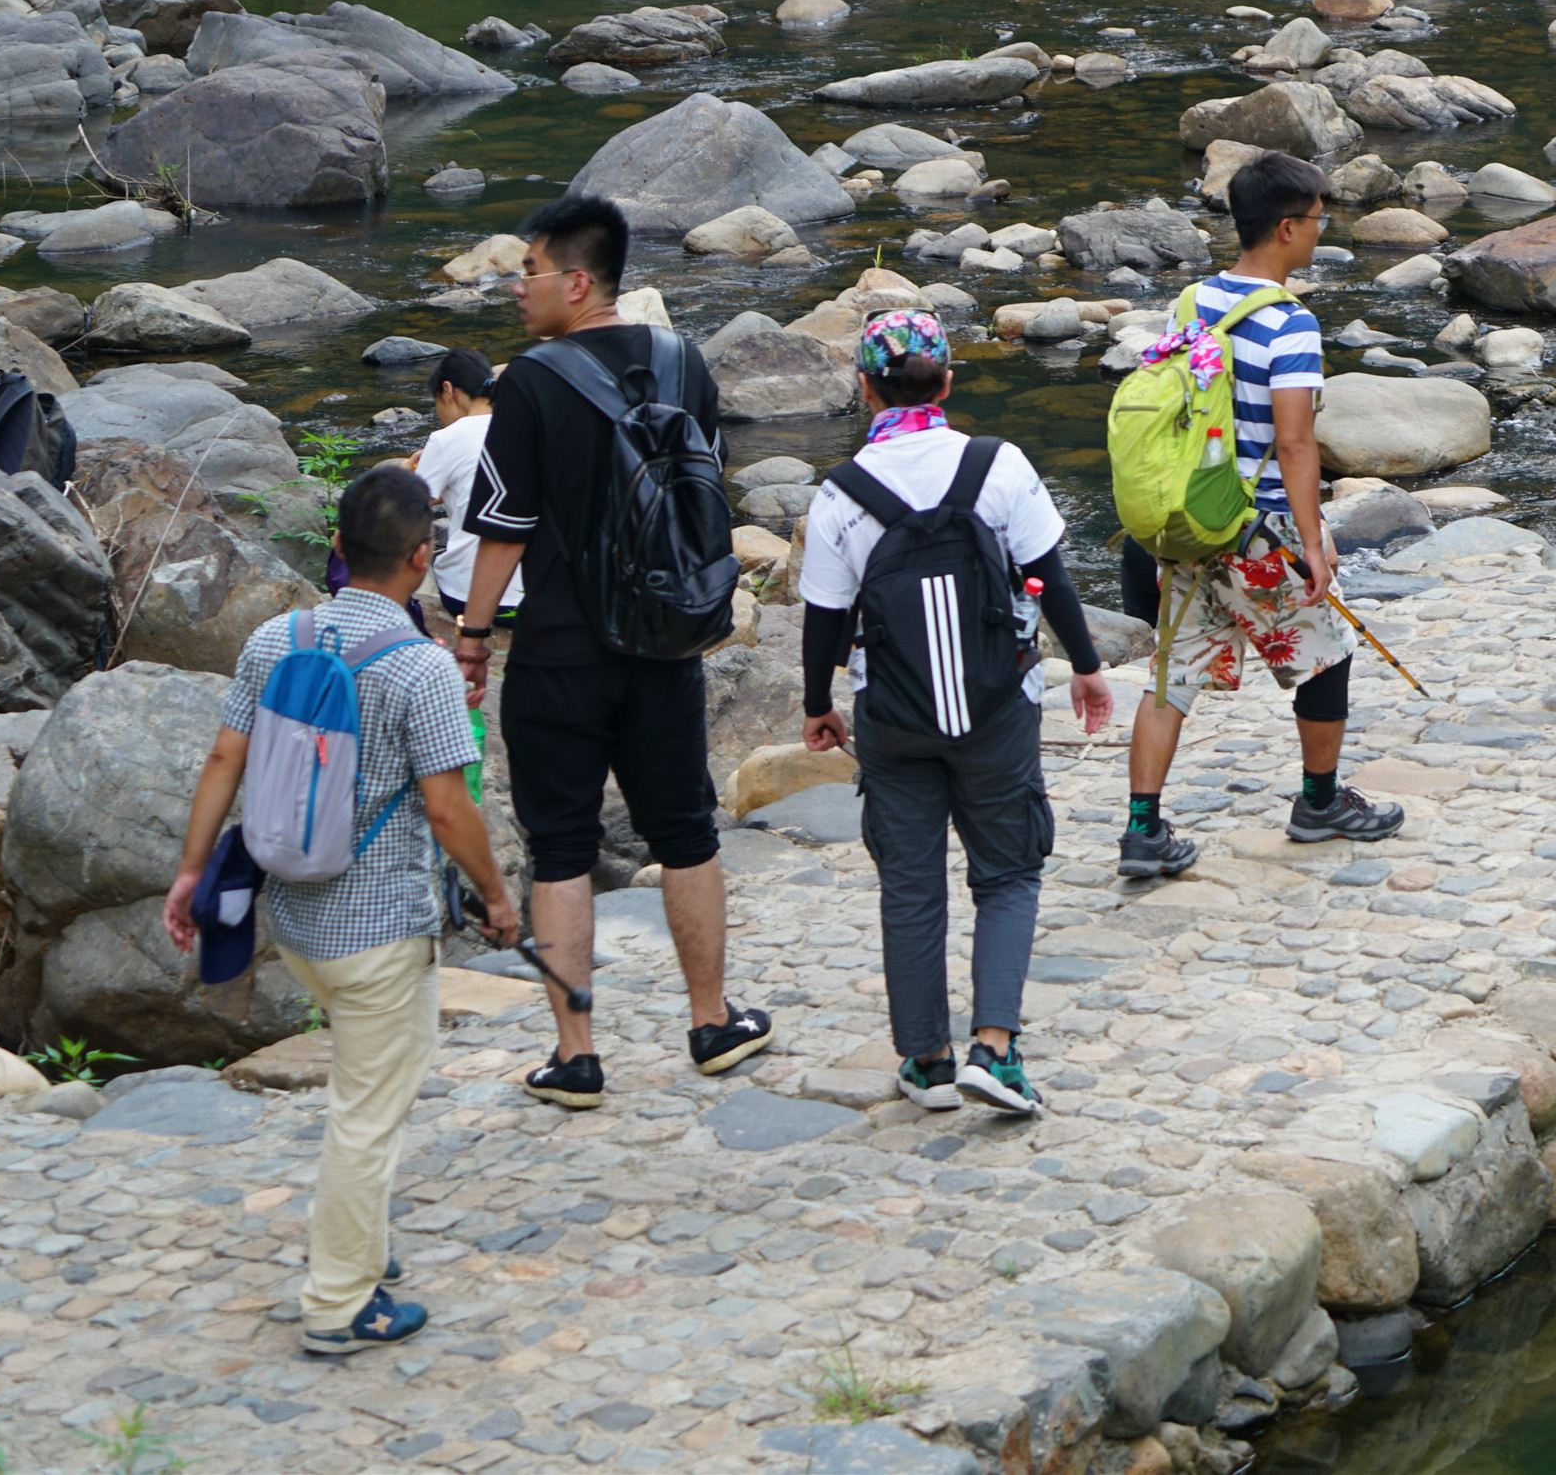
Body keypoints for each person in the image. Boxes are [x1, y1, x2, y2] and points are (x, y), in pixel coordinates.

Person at [165, 467, 520, 1356]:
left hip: (295, 919)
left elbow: (222, 762)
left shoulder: (274, 639)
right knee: (367, 1113)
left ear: (336, 549)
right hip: (379, 929)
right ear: (418, 558)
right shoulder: (419, 666)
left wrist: (189, 873)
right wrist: (498, 892)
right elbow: (447, 808)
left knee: (368, 1094)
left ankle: (366, 1246)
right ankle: (338, 1304)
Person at [454, 196, 772, 1107]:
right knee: (686, 834)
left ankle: (576, 1053)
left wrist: (475, 638)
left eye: (529, 271)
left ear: (576, 281)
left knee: (560, 850)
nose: (516, 288)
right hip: (668, 646)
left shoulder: (530, 385)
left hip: (560, 650)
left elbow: (504, 532)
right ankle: (712, 1022)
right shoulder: (684, 362)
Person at [799, 311, 1113, 1116]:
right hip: (996, 707)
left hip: (892, 717)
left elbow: (825, 620)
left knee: (909, 885)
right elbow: (1048, 578)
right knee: (1008, 872)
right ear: (946, 382)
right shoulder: (997, 465)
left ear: (864, 387)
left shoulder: (841, 493)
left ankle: (928, 1063)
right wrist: (1084, 666)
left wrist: (817, 706)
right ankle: (996, 1052)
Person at [1115, 152, 1406, 868]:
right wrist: (1315, 543)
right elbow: (1296, 441)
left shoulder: (1192, 303)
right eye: (1315, 219)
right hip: (1258, 530)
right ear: (1285, 228)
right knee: (1326, 660)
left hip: (1190, 521)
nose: (1319, 230)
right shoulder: (1290, 324)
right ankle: (1319, 802)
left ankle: (1144, 829)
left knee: (1170, 675)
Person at [410, 349, 497, 637]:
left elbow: (411, 504)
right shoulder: (528, 426)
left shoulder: (448, 437)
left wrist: (403, 470)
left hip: (468, 598)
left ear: (448, 391)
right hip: (532, 597)